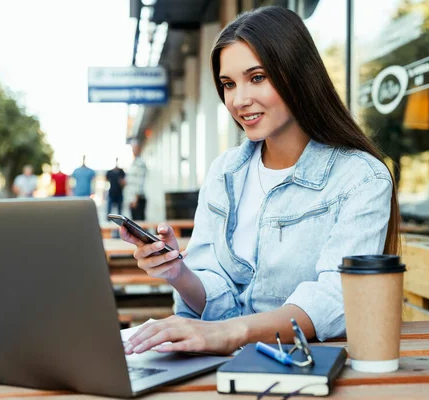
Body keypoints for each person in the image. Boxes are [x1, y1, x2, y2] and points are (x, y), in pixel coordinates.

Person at [121, 6, 400, 356]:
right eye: (228, 84)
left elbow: (337, 297)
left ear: (298, 76)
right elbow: (217, 291)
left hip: (310, 365)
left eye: (257, 78)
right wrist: (178, 273)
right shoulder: (225, 172)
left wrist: (228, 334)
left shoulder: (361, 178)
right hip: (221, 360)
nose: (239, 100)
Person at [124, 141, 148, 220]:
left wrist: (135, 199)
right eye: (133, 149)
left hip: (138, 199)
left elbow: (140, 182)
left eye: (135, 149)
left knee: (139, 224)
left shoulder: (140, 163)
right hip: (132, 198)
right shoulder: (133, 163)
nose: (133, 151)